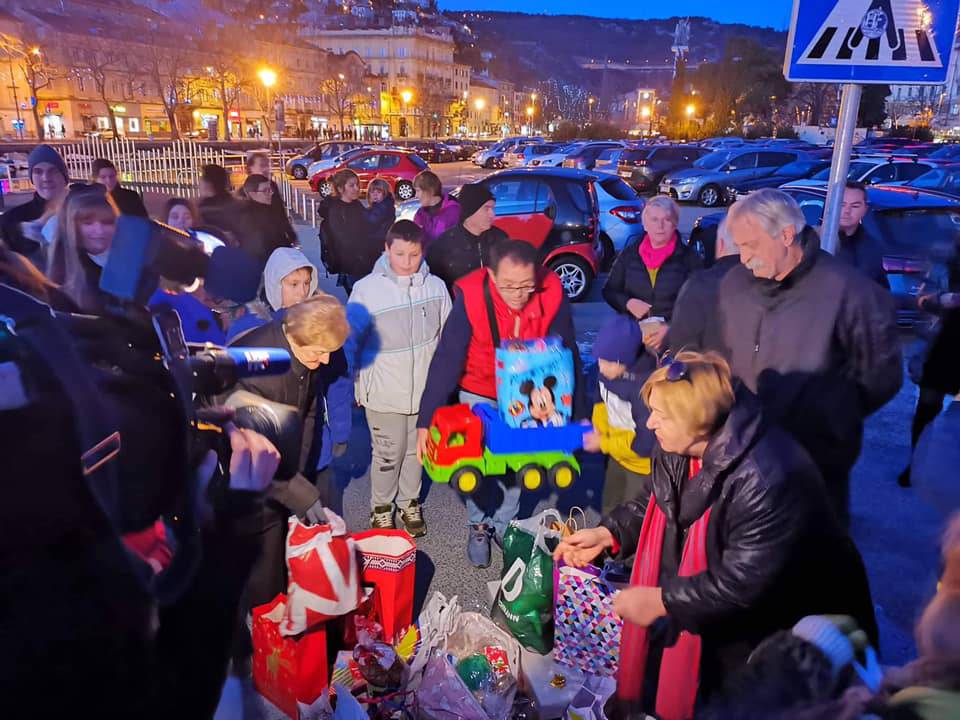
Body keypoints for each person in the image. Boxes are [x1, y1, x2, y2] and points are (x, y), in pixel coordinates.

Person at [554, 352, 877, 718]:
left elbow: (739, 585)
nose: (650, 423)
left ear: (700, 422)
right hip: (718, 605)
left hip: (777, 623)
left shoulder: (767, 478)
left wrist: (661, 601)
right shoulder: (678, 445)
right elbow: (656, 499)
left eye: (662, 414)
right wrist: (607, 533)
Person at [720, 189, 902, 526]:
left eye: (750, 245)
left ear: (786, 235)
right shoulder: (735, 285)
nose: (743, 257)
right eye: (739, 245)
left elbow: (883, 375)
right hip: (745, 459)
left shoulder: (851, 292)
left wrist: (831, 414)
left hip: (815, 466)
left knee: (811, 564)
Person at [417, 239, 584, 567]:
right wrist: (427, 419)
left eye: (526, 285)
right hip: (479, 390)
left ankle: (504, 524)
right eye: (509, 286)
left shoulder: (551, 291)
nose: (519, 295)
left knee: (519, 464)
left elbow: (568, 355)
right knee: (476, 463)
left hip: (532, 394)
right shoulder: (472, 295)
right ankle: (478, 524)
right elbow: (447, 359)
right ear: (491, 276)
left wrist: (576, 418)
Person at [223, 294, 351, 613]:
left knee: (286, 552)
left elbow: (306, 409)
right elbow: (255, 458)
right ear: (296, 336)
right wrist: (303, 494)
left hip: (278, 468)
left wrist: (301, 466)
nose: (324, 361)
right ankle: (263, 638)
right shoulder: (258, 369)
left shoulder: (304, 349)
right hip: (246, 482)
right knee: (263, 575)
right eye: (319, 353)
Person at [347, 220, 451, 536]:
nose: (407, 262)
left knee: (415, 451)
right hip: (383, 391)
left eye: (414, 254)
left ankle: (409, 502)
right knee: (388, 453)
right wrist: (355, 383)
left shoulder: (436, 288)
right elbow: (352, 341)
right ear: (387, 250)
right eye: (400, 254)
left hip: (424, 392)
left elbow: (447, 336)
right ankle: (381, 507)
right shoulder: (366, 290)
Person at [603, 195, 701, 355]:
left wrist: (671, 328)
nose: (660, 226)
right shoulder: (629, 255)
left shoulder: (689, 258)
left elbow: (699, 305)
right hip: (634, 342)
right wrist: (628, 303)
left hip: (675, 346)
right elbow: (609, 291)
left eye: (667, 219)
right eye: (654, 219)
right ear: (645, 224)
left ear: (675, 223)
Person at [899, 241, 960, 488]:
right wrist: (944, 299)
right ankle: (917, 464)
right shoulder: (946, 257)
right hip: (943, 345)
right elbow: (921, 299)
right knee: (927, 408)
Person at [583, 314, 654, 515]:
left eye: (609, 362)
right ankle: (607, 538)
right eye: (600, 360)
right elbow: (600, 399)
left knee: (632, 514)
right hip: (616, 455)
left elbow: (644, 445)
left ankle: (630, 546)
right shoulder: (607, 371)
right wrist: (598, 426)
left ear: (627, 359)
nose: (602, 368)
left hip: (641, 467)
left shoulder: (643, 388)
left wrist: (603, 443)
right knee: (610, 502)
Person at [667, 216, 740, 354]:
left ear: (721, 245)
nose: (661, 226)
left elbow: (682, 348)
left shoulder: (700, 284)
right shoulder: (771, 281)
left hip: (711, 372)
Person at [46, 183, 117, 314]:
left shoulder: (131, 261)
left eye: (107, 221)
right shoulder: (60, 281)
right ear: (71, 226)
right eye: (88, 223)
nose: (99, 230)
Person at [426, 182, 508, 294]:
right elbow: (436, 288)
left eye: (493, 208)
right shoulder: (443, 246)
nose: (492, 214)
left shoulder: (500, 239)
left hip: (494, 308)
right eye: (486, 208)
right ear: (471, 210)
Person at [226, 246, 319, 343]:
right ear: (275, 284)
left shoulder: (313, 321)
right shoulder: (248, 329)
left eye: (306, 283)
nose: (303, 292)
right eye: (294, 284)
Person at [1, 144, 69, 261]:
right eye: (38, 172)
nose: (46, 178)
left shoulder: (84, 213)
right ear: (31, 178)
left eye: (53, 171)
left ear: (64, 176)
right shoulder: (10, 222)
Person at [322, 169, 384, 293]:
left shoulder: (356, 204)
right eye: (351, 185)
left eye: (357, 184)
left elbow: (368, 228)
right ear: (340, 189)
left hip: (364, 263)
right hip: (352, 267)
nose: (356, 188)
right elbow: (345, 240)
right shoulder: (336, 210)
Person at [836, 182, 888, 288]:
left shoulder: (873, 248)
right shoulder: (814, 241)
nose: (847, 211)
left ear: (864, 210)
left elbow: (879, 291)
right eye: (842, 204)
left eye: (855, 206)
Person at [239, 173, 294, 267]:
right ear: (252, 194)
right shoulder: (253, 217)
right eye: (265, 191)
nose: (271, 193)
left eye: (270, 190)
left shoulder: (269, 210)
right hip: (267, 266)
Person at [244, 151, 297, 248]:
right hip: (259, 246)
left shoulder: (272, 185)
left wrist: (291, 236)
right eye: (262, 165)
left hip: (279, 241)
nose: (266, 169)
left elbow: (280, 213)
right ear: (250, 168)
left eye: (267, 165)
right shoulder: (244, 192)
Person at [198, 164, 246, 246]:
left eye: (202, 179)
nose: (199, 183)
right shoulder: (237, 205)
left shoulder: (202, 211)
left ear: (208, 183)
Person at [412, 170, 460, 249]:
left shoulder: (453, 212)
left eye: (418, 190)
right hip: (425, 260)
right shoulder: (420, 214)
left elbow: (457, 244)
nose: (416, 195)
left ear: (430, 190)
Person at [365, 178, 396, 244]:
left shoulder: (383, 206)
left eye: (378, 192)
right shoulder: (379, 205)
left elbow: (373, 220)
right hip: (379, 238)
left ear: (385, 193)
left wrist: (361, 212)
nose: (375, 195)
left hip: (379, 240)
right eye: (372, 192)